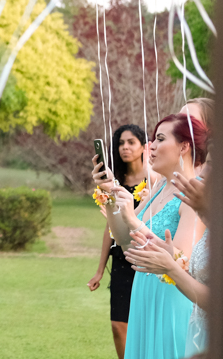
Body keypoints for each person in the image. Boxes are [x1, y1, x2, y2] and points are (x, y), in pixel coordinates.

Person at [93, 113, 208, 359]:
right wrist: (112, 194)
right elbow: (125, 243)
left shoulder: (195, 192)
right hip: (143, 291)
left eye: (159, 139)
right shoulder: (158, 188)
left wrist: (133, 219)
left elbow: (182, 261)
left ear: (184, 146)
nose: (151, 146)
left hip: (173, 298)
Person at [87, 124, 152, 359]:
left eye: (131, 142)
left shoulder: (154, 180)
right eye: (121, 143)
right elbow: (110, 229)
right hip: (121, 259)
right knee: (118, 324)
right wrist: (99, 271)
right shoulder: (115, 181)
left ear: (144, 146)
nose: (125, 147)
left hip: (148, 254)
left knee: (145, 322)